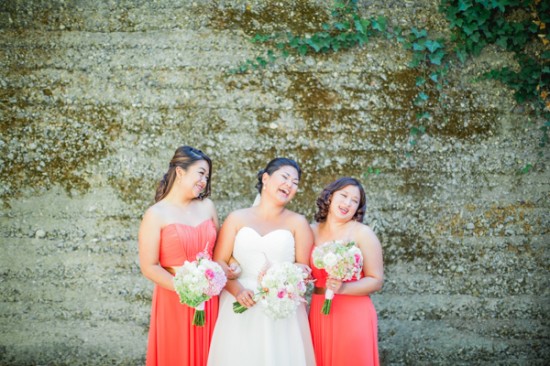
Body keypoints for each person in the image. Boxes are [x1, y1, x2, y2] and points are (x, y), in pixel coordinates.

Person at [207, 158, 316, 366]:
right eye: (285, 177)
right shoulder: (237, 218)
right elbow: (218, 261)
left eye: (295, 183)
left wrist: (282, 280)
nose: (289, 185)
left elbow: (305, 270)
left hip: (281, 308)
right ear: (266, 178)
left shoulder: (298, 223)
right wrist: (238, 290)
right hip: (240, 303)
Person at [138, 146, 221, 366]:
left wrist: (231, 268)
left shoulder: (207, 206)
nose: (204, 181)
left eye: (207, 176)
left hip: (209, 296)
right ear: (181, 171)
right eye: (201, 173)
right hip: (174, 298)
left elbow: (220, 252)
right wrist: (185, 288)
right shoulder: (156, 214)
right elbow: (149, 266)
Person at [308, 177, 384, 366]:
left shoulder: (362, 233)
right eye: (343, 195)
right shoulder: (310, 231)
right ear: (330, 197)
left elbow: (376, 280)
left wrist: (343, 288)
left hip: (353, 312)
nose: (347, 203)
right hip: (319, 310)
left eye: (354, 201)